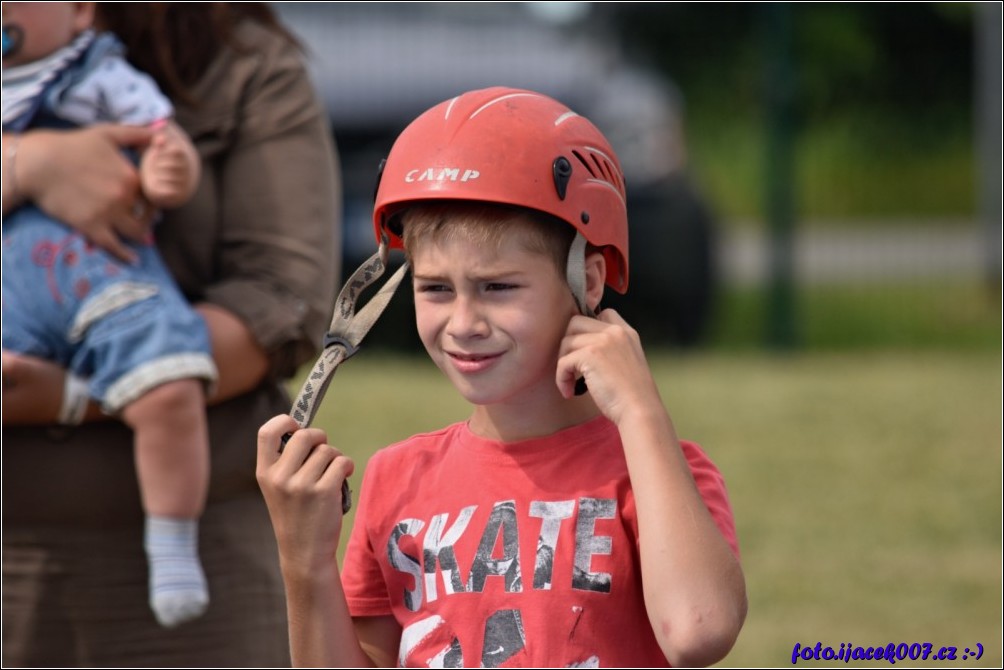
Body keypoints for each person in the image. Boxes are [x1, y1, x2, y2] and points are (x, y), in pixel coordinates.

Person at [257, 87, 747, 667]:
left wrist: (640, 412)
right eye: (436, 288)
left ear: (588, 281)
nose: (463, 323)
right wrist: (304, 563)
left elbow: (696, 632)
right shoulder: (395, 479)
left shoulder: (661, 473)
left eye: (498, 287)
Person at [2, 3, 340, 665]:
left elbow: (280, 299)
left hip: (201, 576)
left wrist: (74, 397)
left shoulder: (239, 59)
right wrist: (29, 165)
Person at [3, 1, 216, 629]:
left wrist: (169, 169)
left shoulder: (97, 75)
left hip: (104, 283)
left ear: (78, 14)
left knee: (170, 390)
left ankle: (173, 541)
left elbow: (162, 139)